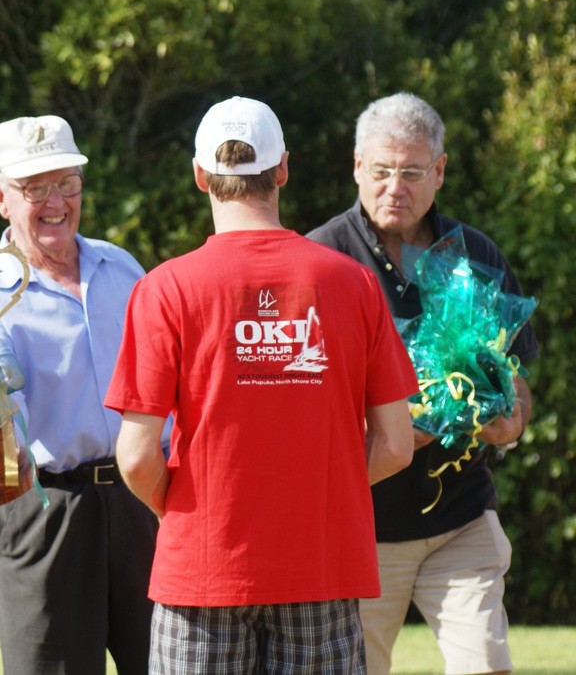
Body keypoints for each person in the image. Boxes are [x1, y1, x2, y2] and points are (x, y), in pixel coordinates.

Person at [104, 95, 418, 674]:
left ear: (200, 175)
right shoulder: (354, 284)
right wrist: (328, 490)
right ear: (283, 170)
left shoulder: (165, 289)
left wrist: (182, 510)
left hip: (201, 573)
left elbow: (135, 455)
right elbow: (397, 445)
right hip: (320, 569)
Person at [307, 92, 539, 675]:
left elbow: (518, 370)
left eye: (411, 172)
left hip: (461, 521)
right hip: (362, 530)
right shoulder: (318, 260)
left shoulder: (475, 252)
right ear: (356, 167)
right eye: (381, 171)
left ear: (439, 171)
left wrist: (510, 419)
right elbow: (299, 404)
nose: (394, 186)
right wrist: (401, 424)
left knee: (487, 666)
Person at [0, 114, 165, 675]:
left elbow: (164, 386)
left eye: (66, 184)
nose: (56, 202)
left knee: (166, 664)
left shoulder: (122, 268)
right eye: (35, 188)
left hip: (142, 501)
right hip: (44, 511)